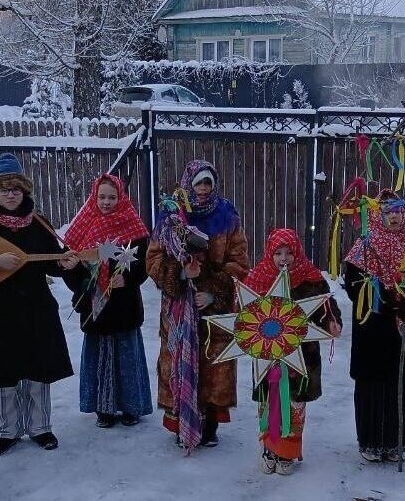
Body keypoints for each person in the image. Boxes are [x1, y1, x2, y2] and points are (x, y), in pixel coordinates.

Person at [0, 153, 80, 457]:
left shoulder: (38, 222)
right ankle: (6, 430)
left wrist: (64, 263)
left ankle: (40, 426)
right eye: (3, 189)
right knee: (4, 373)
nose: (10, 195)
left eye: (16, 189)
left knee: (37, 370)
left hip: (36, 310)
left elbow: (51, 261)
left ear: (24, 191)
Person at [146, 159, 250, 451]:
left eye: (208, 182)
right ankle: (181, 422)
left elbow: (240, 261)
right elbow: (153, 260)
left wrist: (214, 292)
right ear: (188, 184)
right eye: (198, 183)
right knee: (178, 362)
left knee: (214, 365)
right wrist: (180, 274)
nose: (203, 188)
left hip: (214, 309)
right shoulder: (171, 216)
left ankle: (209, 425)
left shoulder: (227, 215)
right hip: (179, 307)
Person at [342, 189, 405, 463]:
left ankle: (398, 442)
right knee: (373, 385)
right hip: (373, 328)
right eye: (387, 211)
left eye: (398, 211)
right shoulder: (366, 245)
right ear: (378, 214)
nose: (394, 216)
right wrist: (385, 300)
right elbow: (353, 285)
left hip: (404, 327)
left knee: (402, 382)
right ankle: (372, 442)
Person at [244, 228, 342, 475]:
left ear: (297, 252)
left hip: (302, 354)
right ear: (270, 254)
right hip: (268, 353)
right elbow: (245, 311)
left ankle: (287, 452)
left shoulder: (310, 278)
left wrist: (331, 321)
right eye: (278, 253)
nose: (284, 258)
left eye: (289, 252)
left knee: (295, 402)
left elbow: (326, 306)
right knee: (270, 401)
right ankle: (269, 448)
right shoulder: (258, 278)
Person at [64, 174, 153, 428]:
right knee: (100, 355)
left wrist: (128, 278)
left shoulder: (133, 226)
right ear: (94, 196)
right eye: (101, 197)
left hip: (123, 304)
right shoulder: (84, 224)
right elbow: (71, 260)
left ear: (120, 198)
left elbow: (144, 263)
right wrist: (75, 272)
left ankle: (131, 407)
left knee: (126, 355)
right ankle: (103, 408)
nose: (106, 202)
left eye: (111, 197)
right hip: (95, 303)